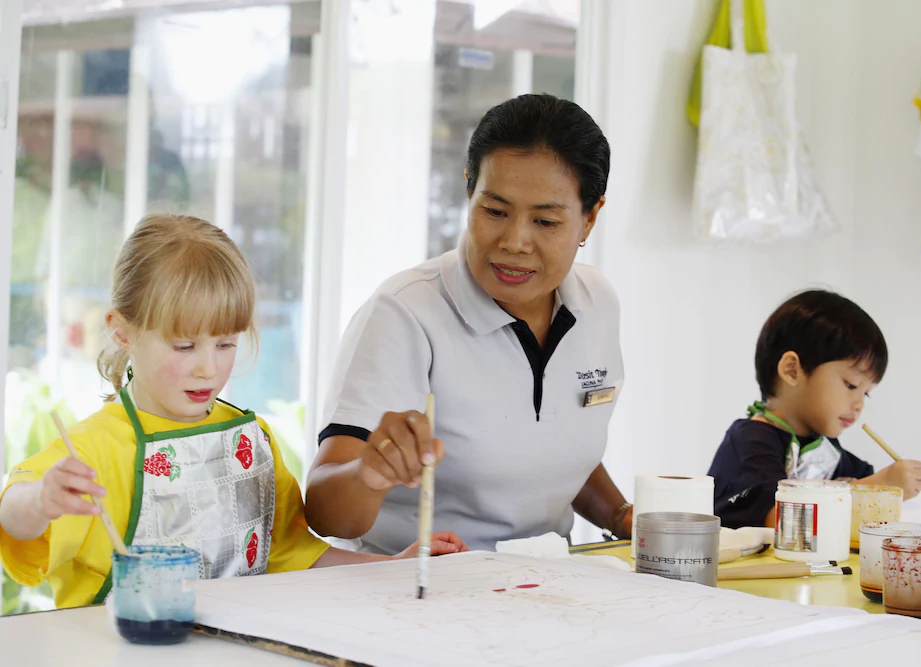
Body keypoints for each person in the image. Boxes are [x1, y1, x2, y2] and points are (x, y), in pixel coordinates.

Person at [0, 214, 466, 609]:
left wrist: (394, 567)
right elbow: (11, 515)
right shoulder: (95, 448)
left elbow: (296, 557)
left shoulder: (250, 440)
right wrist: (41, 500)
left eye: (225, 343)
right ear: (123, 333)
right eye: (184, 345)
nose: (208, 367)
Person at [306, 94, 630, 554]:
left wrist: (622, 516)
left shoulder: (598, 304)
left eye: (545, 221)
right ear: (469, 191)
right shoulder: (406, 312)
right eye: (495, 212)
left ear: (589, 218)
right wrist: (369, 474)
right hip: (421, 590)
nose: (515, 241)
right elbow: (324, 510)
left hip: (547, 583)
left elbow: (553, 449)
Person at [708, 289, 921, 528]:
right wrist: (879, 488)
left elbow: (864, 478)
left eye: (866, 393)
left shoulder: (823, 447)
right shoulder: (750, 442)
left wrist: (891, 482)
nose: (859, 404)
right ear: (793, 370)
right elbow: (780, 521)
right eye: (851, 385)